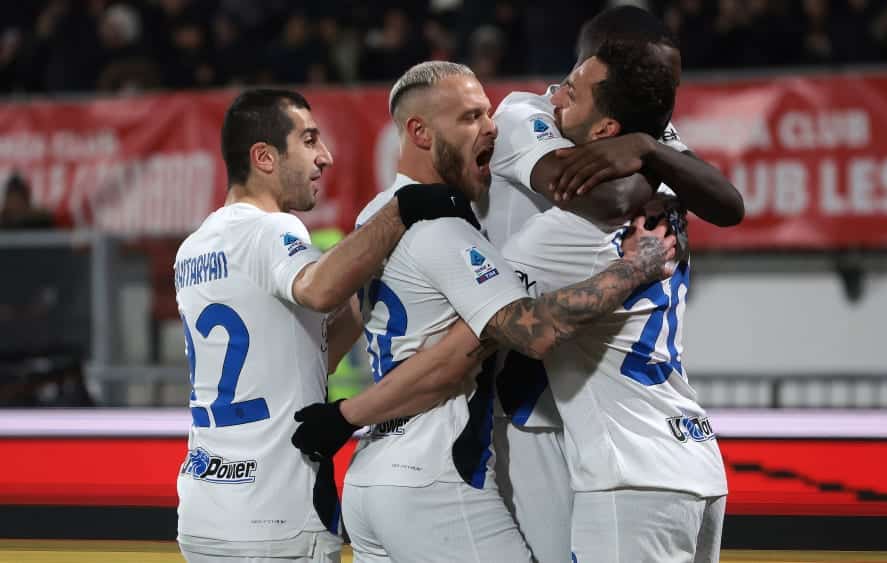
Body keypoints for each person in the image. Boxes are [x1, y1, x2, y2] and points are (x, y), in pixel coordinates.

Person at [294, 61, 677, 563]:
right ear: (420, 132)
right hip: (435, 480)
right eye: (471, 117)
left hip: (372, 476)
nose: (492, 128)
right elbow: (534, 331)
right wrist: (635, 268)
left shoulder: (377, 216)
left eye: (489, 114)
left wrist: (344, 416)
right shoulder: (444, 231)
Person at [174, 88, 484, 563]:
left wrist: (375, 281)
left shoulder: (195, 247)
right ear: (264, 157)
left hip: (205, 508)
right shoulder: (271, 229)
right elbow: (318, 289)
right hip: (274, 517)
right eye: (309, 140)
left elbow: (305, 354)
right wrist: (401, 211)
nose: (325, 156)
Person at [482, 7, 744, 562]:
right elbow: (610, 197)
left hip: (616, 447)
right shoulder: (527, 113)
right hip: (663, 442)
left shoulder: (562, 233)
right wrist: (651, 155)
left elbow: (726, 204)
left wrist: (645, 149)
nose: (668, 91)